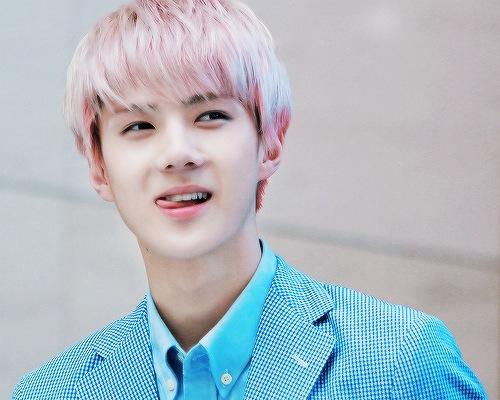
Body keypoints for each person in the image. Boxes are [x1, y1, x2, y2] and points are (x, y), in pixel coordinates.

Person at [13, 0, 487, 399]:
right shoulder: (52, 392)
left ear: (271, 140)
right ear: (99, 166)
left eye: (210, 115)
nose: (177, 153)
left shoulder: (399, 360)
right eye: (139, 125)